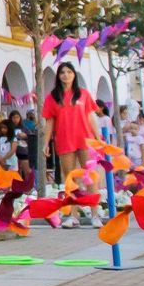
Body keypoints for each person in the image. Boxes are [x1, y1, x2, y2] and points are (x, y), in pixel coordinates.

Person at [41, 61, 99, 226]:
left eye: (69, 72)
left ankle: (95, 215)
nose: (66, 75)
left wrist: (98, 137)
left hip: (85, 139)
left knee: (90, 177)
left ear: (74, 74)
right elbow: (49, 122)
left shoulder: (83, 94)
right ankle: (73, 216)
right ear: (58, 76)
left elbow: (90, 117)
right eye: (62, 72)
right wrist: (46, 143)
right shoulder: (52, 97)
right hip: (65, 141)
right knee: (70, 179)